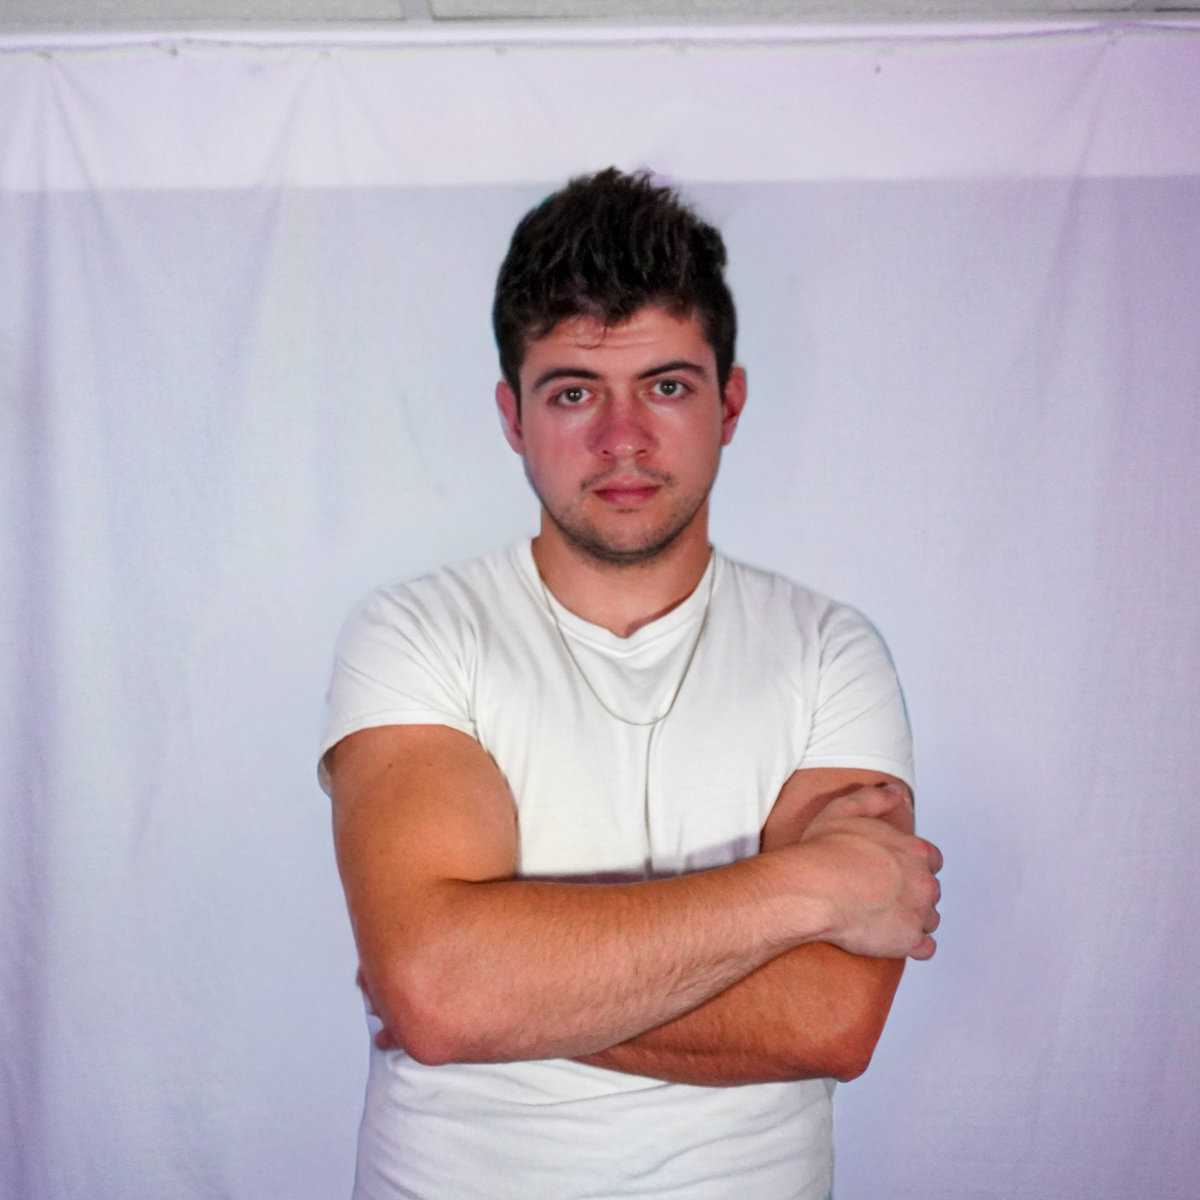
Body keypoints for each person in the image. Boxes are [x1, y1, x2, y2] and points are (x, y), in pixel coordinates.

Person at [318, 168, 942, 1200]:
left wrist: (497, 991)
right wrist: (811, 887)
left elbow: (830, 1020)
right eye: (573, 392)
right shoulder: (416, 635)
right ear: (512, 415)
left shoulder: (830, 652)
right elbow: (439, 993)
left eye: (666, 386)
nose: (623, 440)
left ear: (729, 403)